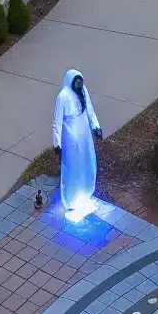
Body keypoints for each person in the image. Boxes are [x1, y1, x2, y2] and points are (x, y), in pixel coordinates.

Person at [52, 68, 102, 220]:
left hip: (84, 133)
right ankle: (71, 200)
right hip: (70, 137)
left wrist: (96, 126)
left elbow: (90, 110)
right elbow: (57, 122)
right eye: (77, 83)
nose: (79, 85)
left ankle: (86, 192)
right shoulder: (63, 97)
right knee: (73, 167)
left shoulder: (83, 91)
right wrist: (57, 143)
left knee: (87, 162)